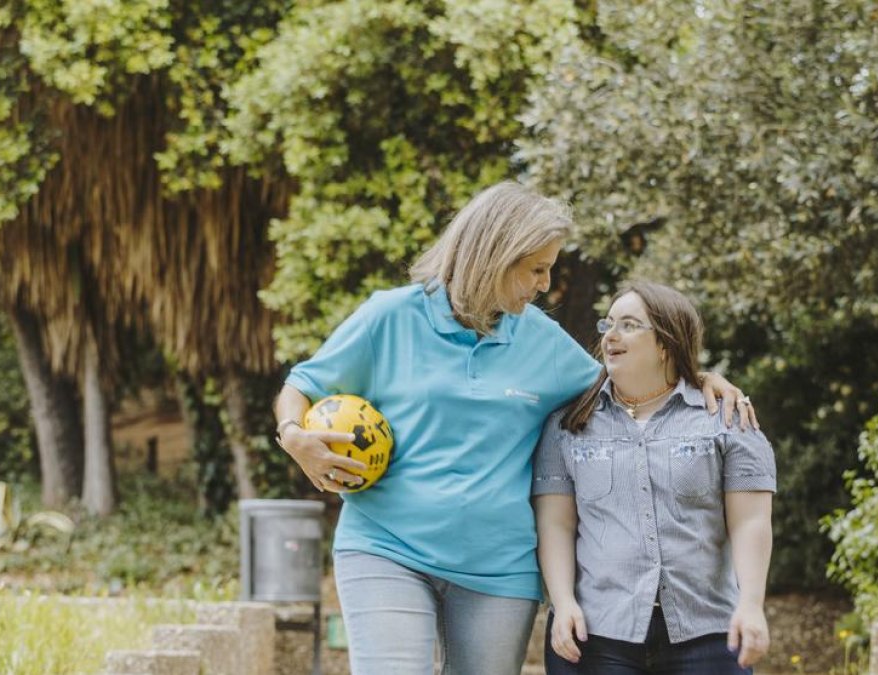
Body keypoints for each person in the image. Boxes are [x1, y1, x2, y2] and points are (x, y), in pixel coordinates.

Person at [272, 183, 756, 675]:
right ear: (494, 256)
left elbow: (627, 380)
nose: (545, 285)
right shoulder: (389, 316)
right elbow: (303, 384)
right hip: (386, 546)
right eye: (537, 269)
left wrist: (698, 379)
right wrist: (294, 436)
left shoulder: (542, 341)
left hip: (498, 568)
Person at [534, 281, 775, 675]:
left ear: (666, 342)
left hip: (707, 632)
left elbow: (751, 521)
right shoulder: (568, 424)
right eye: (608, 324)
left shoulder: (728, 419)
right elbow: (556, 523)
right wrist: (562, 603)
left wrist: (750, 604)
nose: (610, 336)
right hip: (597, 636)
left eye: (629, 325)